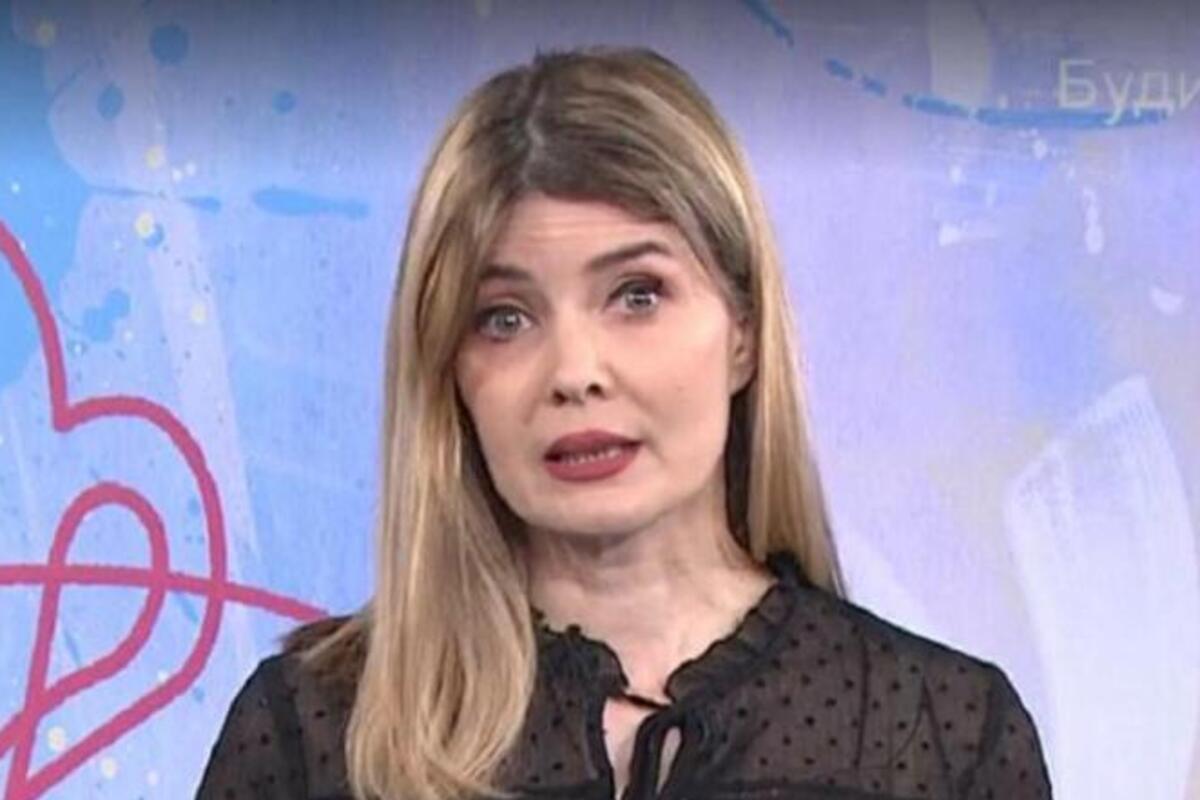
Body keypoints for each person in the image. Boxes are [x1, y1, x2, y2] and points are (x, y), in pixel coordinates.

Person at [195, 45, 1052, 800]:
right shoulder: (311, 729)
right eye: (504, 318)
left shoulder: (940, 730)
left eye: (637, 296)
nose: (574, 373)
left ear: (743, 334)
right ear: (450, 370)